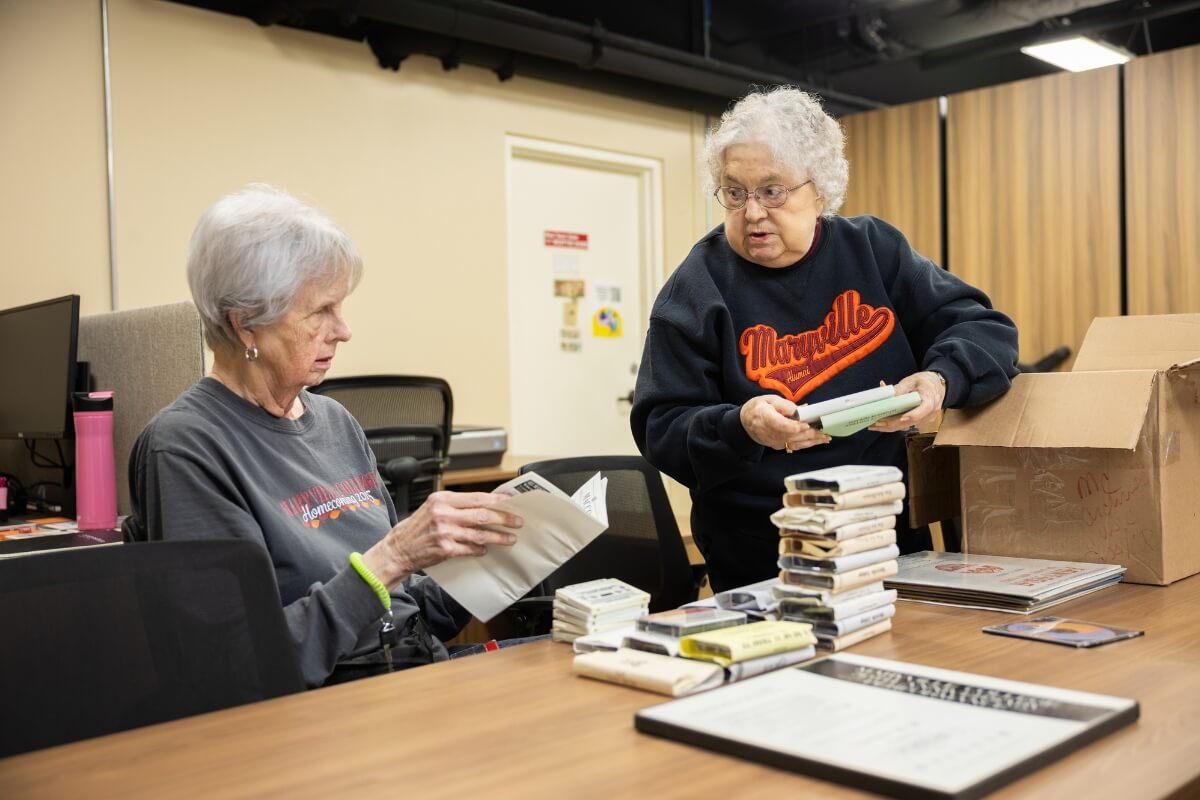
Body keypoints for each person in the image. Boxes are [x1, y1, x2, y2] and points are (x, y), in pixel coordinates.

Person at [124, 184, 523, 687]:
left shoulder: (335, 421)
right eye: (321, 312)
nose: (344, 330)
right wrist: (393, 556)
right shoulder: (187, 447)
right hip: (329, 707)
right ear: (246, 325)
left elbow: (401, 613)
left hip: (410, 672)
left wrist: (497, 561)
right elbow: (234, 667)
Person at [631, 87, 1019, 593]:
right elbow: (660, 424)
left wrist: (939, 380)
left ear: (822, 190)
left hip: (886, 532)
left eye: (772, 191)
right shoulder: (699, 285)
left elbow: (987, 331)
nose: (751, 213)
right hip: (763, 552)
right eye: (734, 192)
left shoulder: (873, 251)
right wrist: (741, 425)